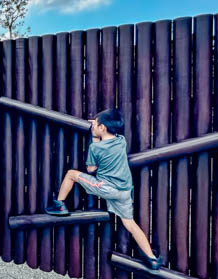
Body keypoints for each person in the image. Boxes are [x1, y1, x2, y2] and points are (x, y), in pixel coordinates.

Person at [46, 109, 163, 270]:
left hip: (107, 188)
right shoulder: (121, 141)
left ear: (102, 128)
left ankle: (59, 204)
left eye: (96, 123)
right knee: (130, 224)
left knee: (71, 174)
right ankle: (152, 259)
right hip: (124, 191)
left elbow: (91, 169)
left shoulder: (96, 149)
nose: (93, 125)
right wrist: (97, 129)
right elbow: (105, 136)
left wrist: (93, 137)